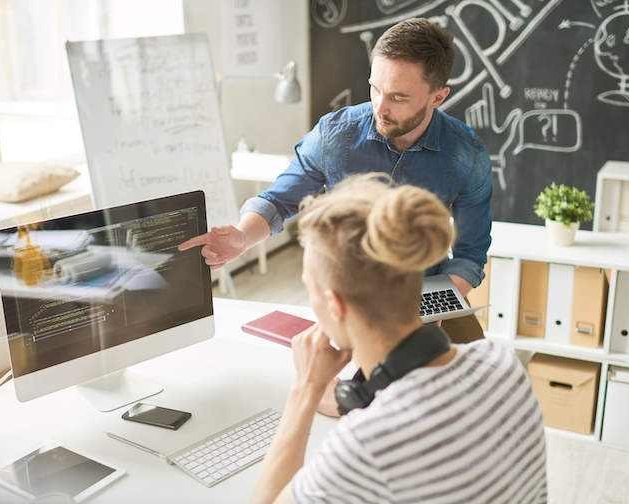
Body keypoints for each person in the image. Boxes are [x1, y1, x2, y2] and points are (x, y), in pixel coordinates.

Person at [246, 175, 547, 504]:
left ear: (334, 305)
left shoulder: (370, 444)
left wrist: (307, 387)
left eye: (310, 288)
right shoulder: (500, 362)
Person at [180, 18, 492, 345]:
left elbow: (470, 255)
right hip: (349, 301)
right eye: (375, 88)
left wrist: (432, 309)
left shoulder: (467, 155)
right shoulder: (335, 135)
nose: (379, 108)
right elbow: (277, 201)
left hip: (427, 292)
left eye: (398, 98)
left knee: (480, 374)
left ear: (437, 97)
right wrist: (243, 236)